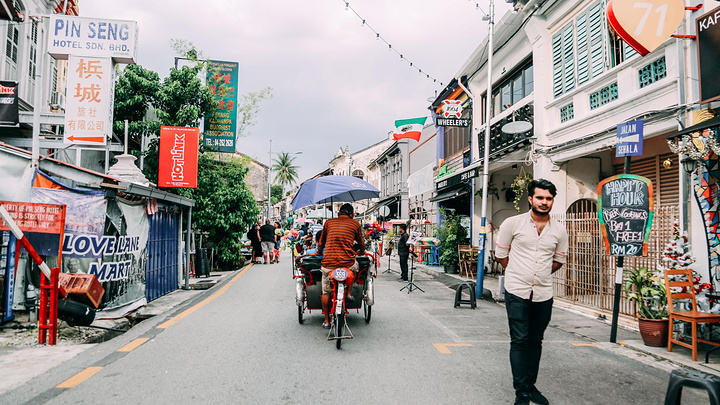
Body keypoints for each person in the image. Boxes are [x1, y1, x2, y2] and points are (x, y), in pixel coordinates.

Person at [494, 179, 568, 405]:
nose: (544, 202)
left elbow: (558, 260)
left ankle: (530, 386)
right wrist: (518, 272)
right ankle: (522, 393)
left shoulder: (559, 230)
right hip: (516, 291)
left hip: (544, 293)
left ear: (552, 201)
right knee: (520, 340)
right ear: (530, 199)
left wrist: (541, 274)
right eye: (540, 198)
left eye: (548, 198)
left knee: (536, 341)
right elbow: (500, 255)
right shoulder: (512, 224)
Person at [317, 203, 365, 329]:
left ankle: (327, 321)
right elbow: (361, 242)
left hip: (329, 263)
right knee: (355, 266)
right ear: (353, 215)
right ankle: (348, 293)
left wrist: (318, 252)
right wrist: (361, 252)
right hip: (347, 262)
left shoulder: (328, 222)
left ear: (338, 214)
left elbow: (321, 241)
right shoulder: (355, 224)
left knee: (326, 292)